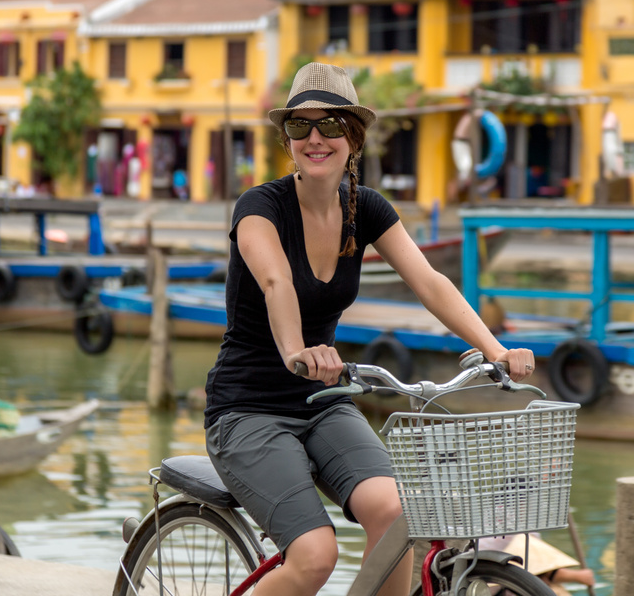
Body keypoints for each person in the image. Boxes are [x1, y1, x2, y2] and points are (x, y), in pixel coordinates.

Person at [202, 62, 535, 596]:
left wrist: (495, 349)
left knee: (399, 516)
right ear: (286, 138)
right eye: (300, 126)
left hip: (324, 401)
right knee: (315, 556)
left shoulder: (366, 209)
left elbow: (429, 282)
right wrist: (296, 351)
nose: (315, 139)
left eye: (331, 126)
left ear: (352, 138)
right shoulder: (259, 207)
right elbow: (275, 282)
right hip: (247, 409)